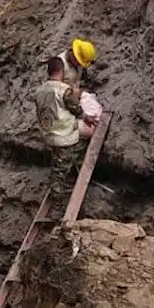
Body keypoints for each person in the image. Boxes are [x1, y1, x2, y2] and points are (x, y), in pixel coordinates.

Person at [34, 55, 96, 200]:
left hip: (47, 133)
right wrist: (88, 117)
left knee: (59, 160)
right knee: (59, 172)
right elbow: (76, 109)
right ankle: (57, 204)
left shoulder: (39, 91)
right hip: (64, 136)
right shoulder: (64, 90)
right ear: (61, 71)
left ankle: (69, 168)